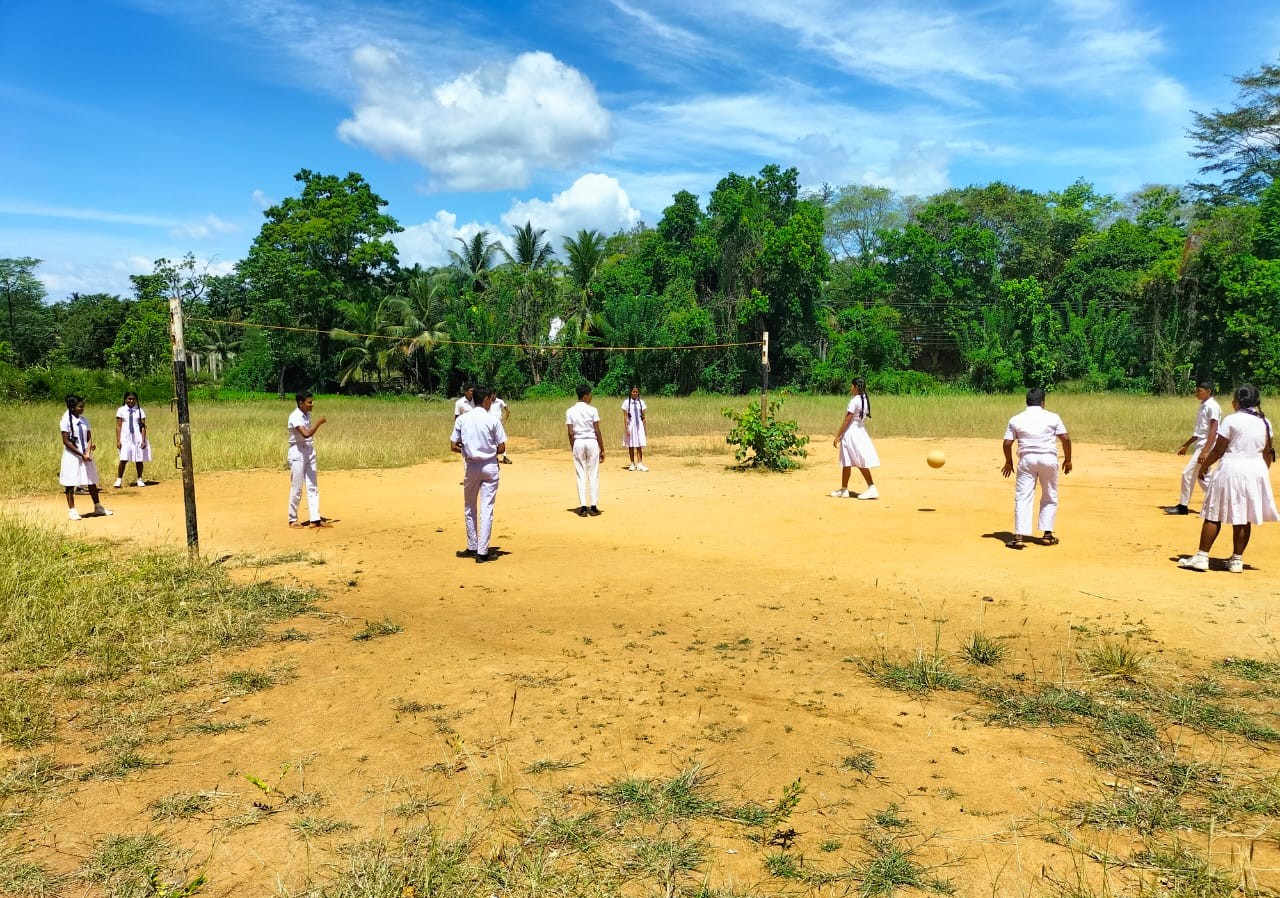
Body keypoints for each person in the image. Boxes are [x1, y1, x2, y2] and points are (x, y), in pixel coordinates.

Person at [1178, 384, 1278, 573]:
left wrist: (1204, 467)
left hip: (1231, 468)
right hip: (1255, 470)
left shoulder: (1231, 420)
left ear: (1237, 401)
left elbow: (1218, 450)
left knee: (1213, 513)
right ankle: (1236, 560)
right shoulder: (1265, 422)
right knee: (1244, 516)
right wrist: (1261, 474)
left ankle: (1201, 557)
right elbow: (1267, 452)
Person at [1001, 387, 1072, 549]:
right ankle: (1047, 535)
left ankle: (1019, 536)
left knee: (1023, 497)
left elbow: (1007, 443)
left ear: (1027, 402)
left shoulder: (1016, 419)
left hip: (1027, 460)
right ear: (1043, 403)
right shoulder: (1053, 417)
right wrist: (1068, 460)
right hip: (1049, 459)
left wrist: (1009, 462)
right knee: (1049, 496)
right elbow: (1066, 439)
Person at [451, 385, 508, 563]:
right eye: (490, 399)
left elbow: (453, 445)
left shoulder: (462, 419)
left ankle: (472, 546)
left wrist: (468, 450)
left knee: (469, 506)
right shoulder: (493, 420)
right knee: (487, 508)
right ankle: (482, 552)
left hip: (471, 466)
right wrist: (488, 451)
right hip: (490, 465)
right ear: (485, 400)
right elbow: (502, 447)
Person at [1166, 380, 1222, 515]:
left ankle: (1183, 506)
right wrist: (1187, 445)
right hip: (1202, 444)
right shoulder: (1204, 406)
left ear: (1208, 391)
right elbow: (1200, 431)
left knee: (1188, 473)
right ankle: (1218, 503)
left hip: (1206, 445)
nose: (1197, 393)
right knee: (1202, 476)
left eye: (1199, 391)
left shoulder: (1212, 406)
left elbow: (1214, 430)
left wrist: (1205, 451)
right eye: (1196, 390)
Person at [59, 394, 112, 520]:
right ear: (72, 407)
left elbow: (89, 437)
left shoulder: (84, 420)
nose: (82, 409)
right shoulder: (65, 421)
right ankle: (72, 510)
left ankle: (98, 506)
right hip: (73, 456)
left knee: (91, 480)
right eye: (80, 407)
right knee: (70, 482)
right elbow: (66, 441)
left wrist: (88, 451)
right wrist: (80, 454)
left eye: (83, 406)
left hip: (86, 455)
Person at [829, 378, 879, 499]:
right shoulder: (865, 399)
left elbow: (848, 419)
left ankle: (872, 487)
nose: (850, 388)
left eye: (852, 386)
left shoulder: (855, 400)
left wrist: (838, 435)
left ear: (856, 387)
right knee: (846, 461)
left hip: (851, 433)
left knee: (859, 460)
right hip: (860, 431)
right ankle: (844, 489)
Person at [287, 391, 327, 527]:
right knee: (297, 487)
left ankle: (315, 518)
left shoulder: (306, 415)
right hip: (297, 451)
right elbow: (306, 434)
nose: (312, 404)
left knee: (312, 485)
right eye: (309, 402)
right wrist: (319, 422)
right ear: (301, 403)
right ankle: (292, 519)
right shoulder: (295, 416)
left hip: (309, 450)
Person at [566, 383, 604, 516]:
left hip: (578, 442)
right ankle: (593, 506)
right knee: (593, 474)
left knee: (580, 474)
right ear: (585, 396)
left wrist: (574, 447)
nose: (591, 397)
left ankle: (583, 507)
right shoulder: (593, 410)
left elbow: (570, 432)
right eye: (590, 394)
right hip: (592, 442)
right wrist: (602, 448)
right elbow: (597, 430)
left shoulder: (570, 411)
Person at [114, 391, 151, 488]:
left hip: (137, 436)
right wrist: (118, 440)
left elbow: (143, 426)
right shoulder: (121, 410)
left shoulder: (140, 411)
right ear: (125, 399)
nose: (131, 401)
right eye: (129, 399)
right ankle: (119, 479)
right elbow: (118, 426)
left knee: (139, 458)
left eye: (133, 399)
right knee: (123, 458)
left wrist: (143, 440)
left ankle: (139, 478)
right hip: (125, 437)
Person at [622, 385, 648, 471]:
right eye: (633, 392)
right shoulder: (626, 402)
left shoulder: (641, 402)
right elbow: (625, 416)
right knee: (631, 445)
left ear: (638, 393)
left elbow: (643, 416)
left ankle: (640, 463)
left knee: (639, 444)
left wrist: (645, 428)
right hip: (631, 425)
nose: (635, 393)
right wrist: (626, 428)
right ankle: (632, 463)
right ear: (631, 392)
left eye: (636, 392)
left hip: (639, 426)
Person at [490, 391, 513, 464]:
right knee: (492, 440)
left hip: (498, 423)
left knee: (500, 440)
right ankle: (494, 457)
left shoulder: (500, 401)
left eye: (493, 394)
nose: (492, 396)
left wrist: (504, 421)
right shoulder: (488, 401)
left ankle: (504, 457)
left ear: (495, 394)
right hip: (489, 423)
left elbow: (508, 411)